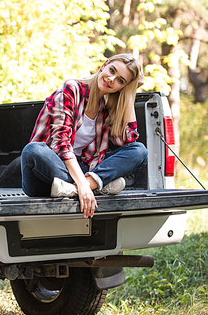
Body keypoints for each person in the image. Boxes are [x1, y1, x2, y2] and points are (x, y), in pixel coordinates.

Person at [21, 53, 148, 219]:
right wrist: (82, 184)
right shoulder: (71, 89)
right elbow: (61, 144)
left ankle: (77, 187)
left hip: (79, 172)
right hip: (47, 173)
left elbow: (127, 140)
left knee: (139, 151)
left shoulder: (106, 107)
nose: (111, 79)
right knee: (33, 150)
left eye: (120, 81)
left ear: (122, 88)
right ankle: (95, 185)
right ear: (104, 65)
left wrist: (131, 93)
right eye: (112, 70)